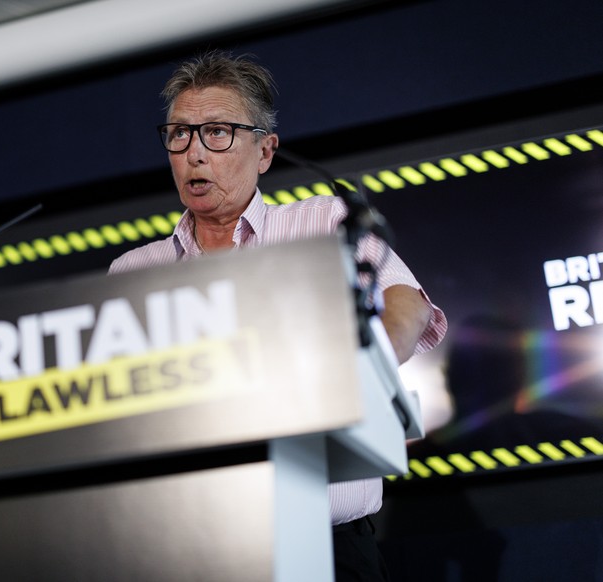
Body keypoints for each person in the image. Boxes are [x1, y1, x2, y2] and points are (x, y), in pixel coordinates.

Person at [109, 50, 448, 581]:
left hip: (330, 549)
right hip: (199, 555)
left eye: (216, 133)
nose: (194, 153)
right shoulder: (134, 271)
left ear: (265, 151)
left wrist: (350, 378)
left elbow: (407, 305)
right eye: (179, 135)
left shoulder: (324, 224)